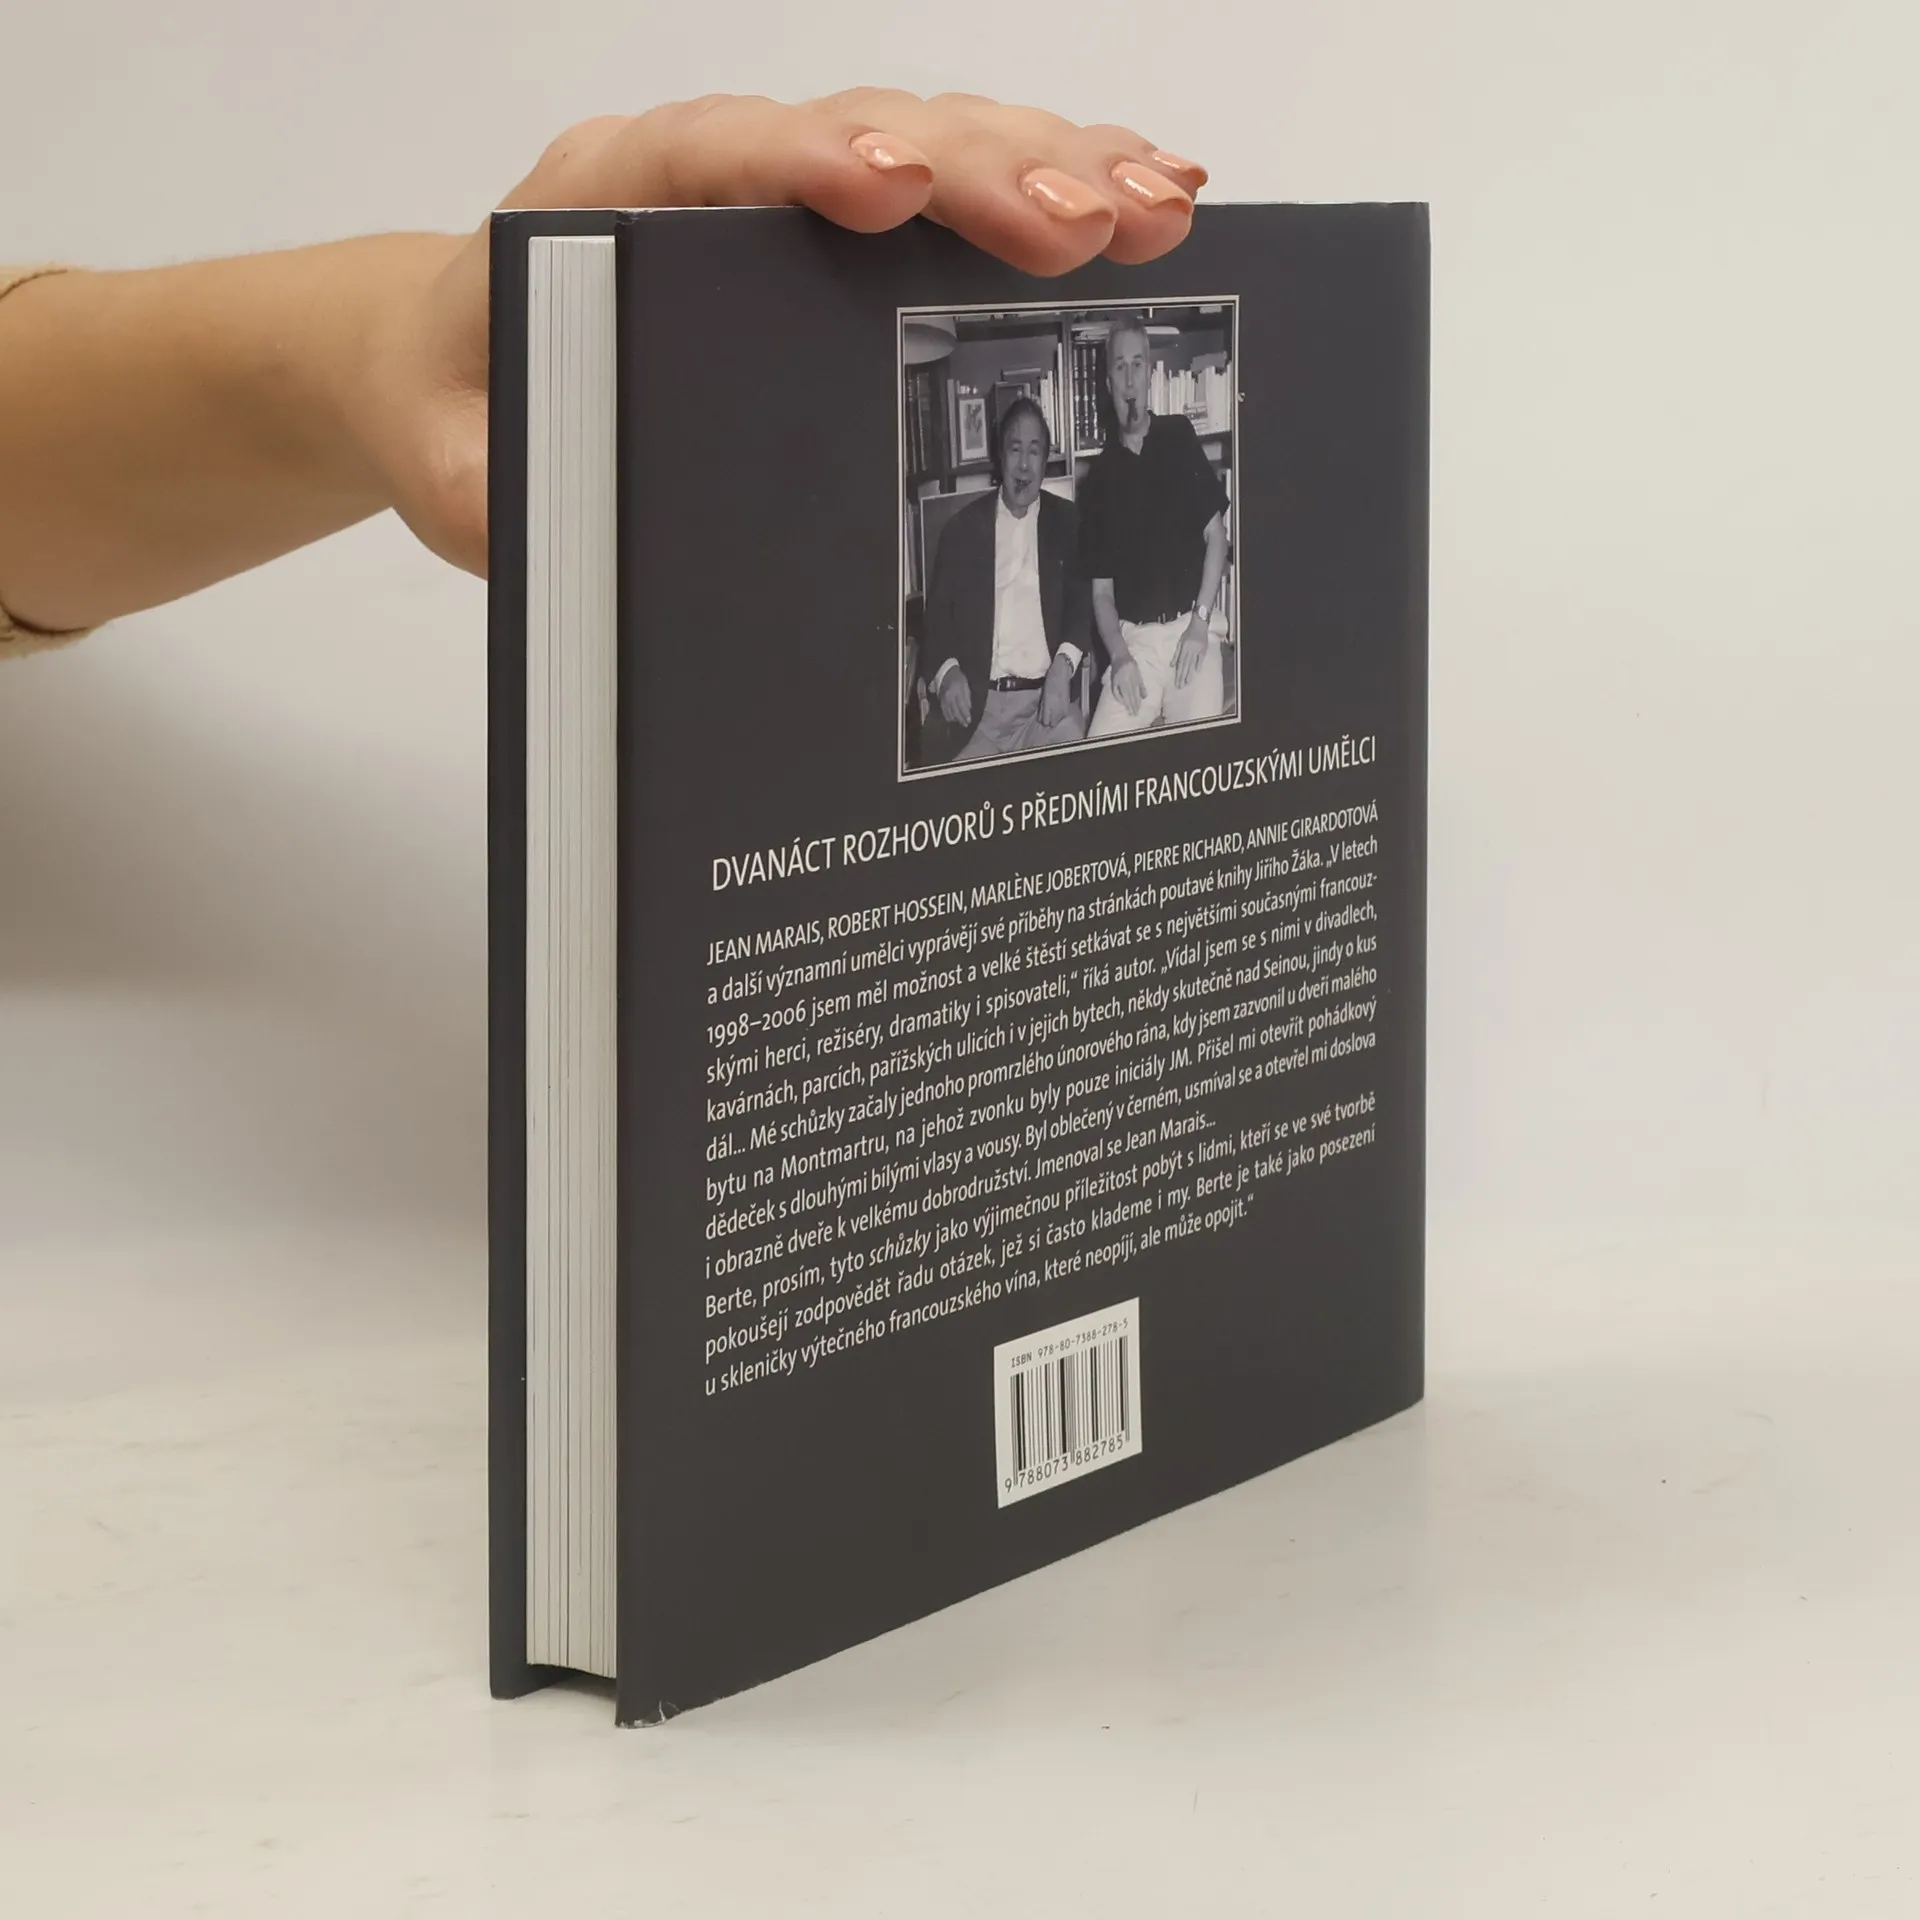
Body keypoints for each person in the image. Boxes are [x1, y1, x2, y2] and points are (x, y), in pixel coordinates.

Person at [0, 93, 1205, 656]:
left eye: (1036, 444)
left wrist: (396, 338)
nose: (1026, 458)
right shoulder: (970, 528)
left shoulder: (1092, 499)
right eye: (1014, 441)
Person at [1076, 311, 1231, 737]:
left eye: (1137, 364)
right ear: (1109, 384)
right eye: (1119, 367)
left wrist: (1199, 623)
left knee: (1199, 755)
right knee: (1098, 751)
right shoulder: (1099, 478)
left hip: (1190, 629)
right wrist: (1119, 656)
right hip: (1136, 645)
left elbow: (1217, 537)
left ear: (1150, 374)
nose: (1130, 379)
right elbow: (1101, 594)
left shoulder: (1179, 436)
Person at [919, 396, 1092, 765]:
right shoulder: (962, 530)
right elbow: (934, 622)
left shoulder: (1068, 522)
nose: (1024, 464)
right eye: (1015, 449)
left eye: (1034, 451)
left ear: (1046, 460)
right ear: (1000, 456)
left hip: (1044, 707)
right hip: (977, 713)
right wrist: (947, 673)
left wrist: (1064, 664)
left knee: (1075, 763)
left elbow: (1083, 605)